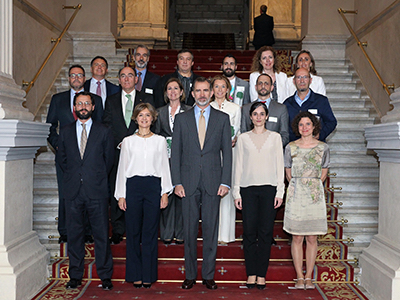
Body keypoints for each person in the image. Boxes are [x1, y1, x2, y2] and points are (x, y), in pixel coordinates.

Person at [171, 77, 232, 290]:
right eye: (198, 91)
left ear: (212, 93)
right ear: (192, 93)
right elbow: (175, 154)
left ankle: (208, 275)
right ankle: (189, 275)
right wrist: (176, 182)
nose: (203, 94)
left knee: (210, 230)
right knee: (188, 231)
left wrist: (226, 181)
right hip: (187, 183)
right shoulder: (181, 119)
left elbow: (228, 153)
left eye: (206, 90)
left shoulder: (223, 119)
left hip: (214, 182)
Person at [57, 91, 114, 290]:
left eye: (87, 103)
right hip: (73, 191)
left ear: (93, 107)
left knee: (101, 235)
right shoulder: (64, 131)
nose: (83, 107)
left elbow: (109, 161)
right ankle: (75, 276)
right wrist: (77, 177)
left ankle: (105, 275)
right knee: (74, 236)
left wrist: (94, 177)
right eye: (79, 103)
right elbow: (62, 160)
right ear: (74, 108)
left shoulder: (104, 130)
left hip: (96, 191)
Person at [115, 103, 172, 288]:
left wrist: (165, 192)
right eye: (141, 115)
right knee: (132, 232)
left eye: (148, 115)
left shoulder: (160, 141)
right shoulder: (128, 141)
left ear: (153, 118)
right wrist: (121, 195)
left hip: (153, 186)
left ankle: (148, 274)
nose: (144, 119)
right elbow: (122, 168)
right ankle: (134, 274)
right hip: (133, 186)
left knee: (149, 233)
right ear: (136, 118)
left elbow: (164, 166)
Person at [46, 64, 103, 244]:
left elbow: (101, 127)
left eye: (79, 75)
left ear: (85, 78)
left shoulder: (95, 100)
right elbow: (50, 127)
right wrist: (60, 146)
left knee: (87, 192)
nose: (76, 78)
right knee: (66, 193)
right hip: (66, 158)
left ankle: (86, 231)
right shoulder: (58, 99)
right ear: (69, 78)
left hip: (89, 158)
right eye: (72, 75)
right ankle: (64, 230)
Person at [233, 102, 284, 290]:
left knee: (265, 233)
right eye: (255, 114)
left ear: (267, 116)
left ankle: (261, 274)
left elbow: (280, 165)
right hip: (248, 189)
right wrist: (236, 192)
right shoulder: (243, 138)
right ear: (250, 116)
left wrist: (280, 191)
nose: (258, 117)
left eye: (262, 113)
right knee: (249, 233)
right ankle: (251, 273)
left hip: (269, 189)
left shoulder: (276, 137)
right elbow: (238, 166)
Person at [103, 66, 154, 245]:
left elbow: (150, 122)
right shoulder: (110, 100)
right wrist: (120, 143)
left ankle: (137, 228)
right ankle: (117, 229)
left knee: (137, 191)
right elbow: (107, 124)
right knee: (118, 189)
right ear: (118, 80)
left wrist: (135, 141)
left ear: (136, 79)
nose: (126, 79)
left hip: (142, 154)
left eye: (130, 76)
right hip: (118, 152)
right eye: (123, 76)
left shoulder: (146, 98)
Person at [283, 111, 330, 290]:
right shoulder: (290, 147)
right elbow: (288, 173)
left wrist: (311, 187)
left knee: (311, 237)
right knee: (296, 237)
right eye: (301, 125)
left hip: (314, 195)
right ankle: (299, 277)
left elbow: (323, 173)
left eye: (308, 124)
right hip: (296, 194)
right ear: (297, 127)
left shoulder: (323, 148)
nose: (304, 128)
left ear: (314, 126)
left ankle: (309, 277)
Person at [153, 78, 191, 244]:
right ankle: (167, 233)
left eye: (176, 88)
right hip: (165, 158)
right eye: (170, 89)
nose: (173, 91)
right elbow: (156, 134)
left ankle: (181, 233)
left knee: (183, 196)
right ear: (166, 93)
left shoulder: (190, 111)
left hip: (185, 158)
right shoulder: (159, 112)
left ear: (182, 92)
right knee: (167, 193)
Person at [210, 75, 241, 244]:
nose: (220, 90)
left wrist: (235, 138)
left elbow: (238, 130)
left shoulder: (235, 108)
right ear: (212, 89)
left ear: (228, 89)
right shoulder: (207, 106)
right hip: (211, 154)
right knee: (212, 192)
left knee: (227, 193)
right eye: (217, 86)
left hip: (229, 152)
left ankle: (226, 235)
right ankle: (213, 233)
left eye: (223, 86)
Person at [283, 68, 337, 143]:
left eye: (305, 77)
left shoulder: (321, 101)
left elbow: (331, 122)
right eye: (298, 77)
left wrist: (320, 135)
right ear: (294, 81)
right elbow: (284, 127)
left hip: (316, 147)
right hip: (294, 149)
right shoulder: (287, 103)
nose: (302, 81)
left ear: (310, 80)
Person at [241, 74, 289, 147]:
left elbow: (284, 135)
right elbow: (243, 133)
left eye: (266, 83)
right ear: (256, 87)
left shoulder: (281, 109)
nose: (263, 86)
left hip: (273, 153)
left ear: (272, 87)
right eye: (260, 83)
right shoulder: (246, 109)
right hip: (251, 152)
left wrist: (271, 149)